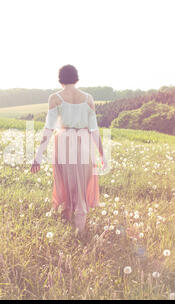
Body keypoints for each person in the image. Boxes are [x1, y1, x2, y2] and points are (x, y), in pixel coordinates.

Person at [30, 64, 107, 237]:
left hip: (64, 142)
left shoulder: (55, 98)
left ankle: (72, 231)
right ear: (76, 78)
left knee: (65, 184)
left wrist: (38, 155)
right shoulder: (88, 98)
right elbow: (94, 130)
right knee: (81, 187)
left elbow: (48, 128)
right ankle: (80, 233)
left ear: (60, 79)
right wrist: (103, 155)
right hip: (85, 144)